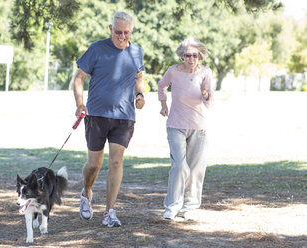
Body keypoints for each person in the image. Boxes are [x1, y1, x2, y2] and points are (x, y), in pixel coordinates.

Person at [73, 11, 145, 227]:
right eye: (118, 32)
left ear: (131, 31)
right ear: (110, 29)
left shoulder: (137, 52)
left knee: (116, 161)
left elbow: (139, 76)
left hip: (124, 117)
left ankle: (109, 212)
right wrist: (79, 104)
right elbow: (78, 79)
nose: (122, 37)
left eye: (126, 33)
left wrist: (140, 94)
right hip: (96, 114)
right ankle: (86, 194)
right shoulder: (97, 48)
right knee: (94, 165)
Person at [158, 37, 214, 221]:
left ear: (200, 56)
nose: (191, 59)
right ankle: (172, 206)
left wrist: (206, 94)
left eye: (195, 56)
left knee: (196, 167)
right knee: (179, 166)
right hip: (175, 125)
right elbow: (162, 85)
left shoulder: (205, 73)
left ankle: (189, 206)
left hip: (199, 126)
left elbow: (209, 102)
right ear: (182, 56)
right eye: (187, 55)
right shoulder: (173, 71)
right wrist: (163, 104)